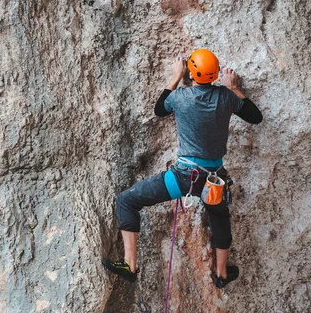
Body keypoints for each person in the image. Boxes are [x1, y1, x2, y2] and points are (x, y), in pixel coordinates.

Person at [102, 49, 263, 288]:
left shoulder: (179, 97)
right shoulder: (226, 98)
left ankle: (130, 265)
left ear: (191, 72)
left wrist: (175, 76)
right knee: (219, 216)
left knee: (127, 200)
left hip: (183, 178)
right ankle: (221, 273)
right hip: (214, 180)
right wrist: (233, 88)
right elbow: (255, 117)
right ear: (216, 73)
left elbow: (159, 110)